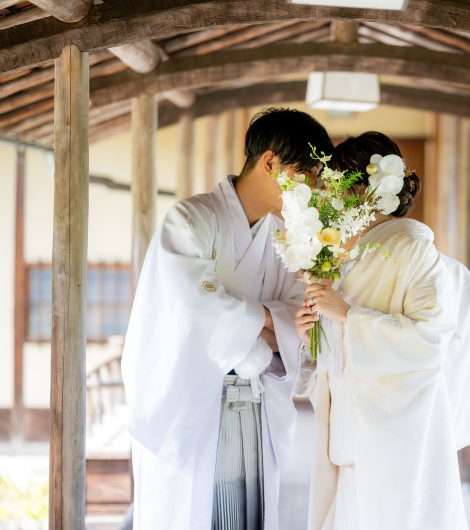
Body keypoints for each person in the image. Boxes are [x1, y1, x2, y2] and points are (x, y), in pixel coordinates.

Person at [121, 108, 334, 530]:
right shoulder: (190, 219)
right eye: (307, 173)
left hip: (255, 404)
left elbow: (302, 311)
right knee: (192, 511)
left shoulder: (287, 236)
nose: (312, 188)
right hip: (192, 400)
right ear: (270, 162)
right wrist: (271, 322)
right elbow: (193, 309)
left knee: (248, 511)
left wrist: (267, 324)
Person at [294, 132, 470, 530]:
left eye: (336, 187)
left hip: (400, 430)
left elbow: (430, 338)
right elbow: (337, 349)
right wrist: (312, 328)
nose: (331, 198)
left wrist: (347, 315)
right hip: (357, 422)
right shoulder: (355, 252)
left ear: (361, 187)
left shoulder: (413, 246)